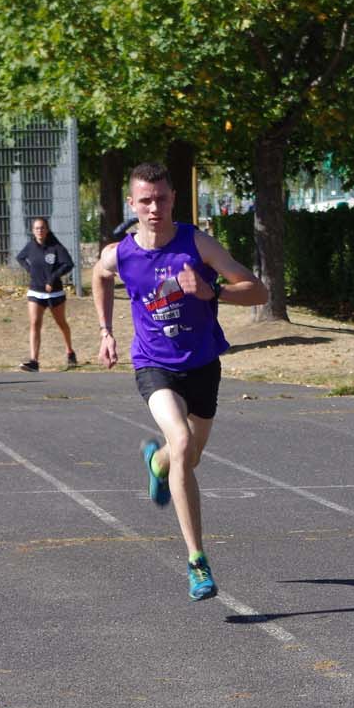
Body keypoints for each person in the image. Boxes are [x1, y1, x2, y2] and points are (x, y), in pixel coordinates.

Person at [93, 162, 269, 601]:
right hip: (154, 365)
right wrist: (105, 331)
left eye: (161, 199)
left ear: (174, 199)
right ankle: (196, 561)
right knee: (183, 441)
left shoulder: (197, 244)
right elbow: (99, 274)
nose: (154, 208)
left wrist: (215, 292)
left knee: (188, 457)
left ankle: (158, 463)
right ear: (132, 204)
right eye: (145, 201)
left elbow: (257, 290)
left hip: (203, 364)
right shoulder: (121, 254)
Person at [15, 216, 77, 372]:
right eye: (36, 228)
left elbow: (68, 264)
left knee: (61, 323)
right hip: (35, 292)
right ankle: (34, 361)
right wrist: (30, 270)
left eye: (42, 228)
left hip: (55, 294)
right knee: (34, 324)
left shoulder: (55, 247)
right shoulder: (31, 246)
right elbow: (20, 258)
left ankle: (70, 352)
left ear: (47, 229)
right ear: (33, 231)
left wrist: (52, 279)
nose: (39, 231)